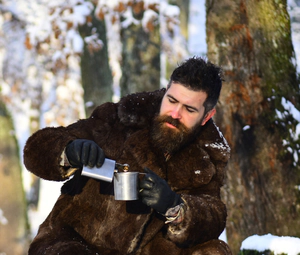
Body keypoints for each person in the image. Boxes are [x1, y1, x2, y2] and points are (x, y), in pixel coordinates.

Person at [23, 56, 232, 255]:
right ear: (166, 91)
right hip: (77, 241)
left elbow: (213, 214)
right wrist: (69, 151)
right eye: (171, 100)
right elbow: (36, 149)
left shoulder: (209, 155)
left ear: (207, 115)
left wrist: (175, 207)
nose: (175, 113)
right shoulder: (123, 117)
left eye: (189, 109)